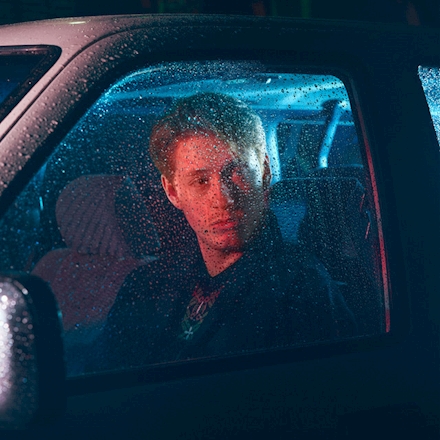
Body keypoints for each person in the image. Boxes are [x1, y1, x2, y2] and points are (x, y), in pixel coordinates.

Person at [100, 92, 356, 369]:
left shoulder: (302, 290)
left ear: (265, 173)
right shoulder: (145, 285)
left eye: (238, 173)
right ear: (173, 192)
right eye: (200, 181)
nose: (223, 199)